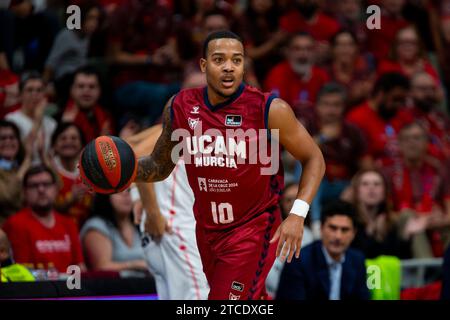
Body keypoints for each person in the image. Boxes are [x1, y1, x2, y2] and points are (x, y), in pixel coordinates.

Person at [123, 31, 325, 300]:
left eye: (237, 60)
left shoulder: (269, 109)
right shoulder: (180, 106)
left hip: (253, 230)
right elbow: (160, 166)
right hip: (207, 231)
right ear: (204, 65)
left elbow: (314, 159)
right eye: (219, 59)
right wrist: (118, 174)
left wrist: (298, 214)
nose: (229, 67)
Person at [127, 124, 209, 300]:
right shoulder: (189, 113)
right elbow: (138, 154)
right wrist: (152, 212)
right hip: (174, 228)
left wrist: (136, 194)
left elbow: (132, 143)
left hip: (174, 230)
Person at [276, 200, 369, 300]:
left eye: (344, 230)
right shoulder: (299, 261)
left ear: (354, 233)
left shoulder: (357, 260)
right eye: (333, 228)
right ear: (321, 228)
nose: (338, 236)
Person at [383, 122, 450, 258]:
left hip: (436, 225)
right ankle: (427, 269)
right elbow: (387, 215)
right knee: (409, 218)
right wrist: (422, 218)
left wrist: (429, 221)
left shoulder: (439, 170)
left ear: (426, 142)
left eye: (417, 138)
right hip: (402, 230)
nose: (411, 143)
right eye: (406, 139)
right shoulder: (388, 173)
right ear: (399, 144)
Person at [2, 165, 85, 273]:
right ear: (24, 191)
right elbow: (21, 271)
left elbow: (80, 267)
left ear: (56, 189)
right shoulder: (15, 224)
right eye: (34, 185)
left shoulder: (69, 224)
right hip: (35, 288)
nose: (41, 189)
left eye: (46, 184)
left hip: (70, 288)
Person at [346, 72, 413, 167]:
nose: (399, 105)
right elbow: (362, 159)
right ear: (380, 94)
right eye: (395, 99)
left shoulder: (401, 115)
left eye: (402, 100)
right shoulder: (357, 118)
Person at [347, 168, 411, 259]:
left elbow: (397, 260)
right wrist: (370, 233)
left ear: (384, 191)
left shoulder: (391, 222)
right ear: (357, 191)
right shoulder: (347, 220)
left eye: (377, 184)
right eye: (365, 184)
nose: (371, 188)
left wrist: (405, 236)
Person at [265, 182, 314, 299]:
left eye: (297, 200)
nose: (293, 205)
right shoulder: (270, 231)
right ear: (281, 204)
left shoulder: (311, 235)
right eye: (288, 200)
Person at [80, 190, 148, 272]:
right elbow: (101, 267)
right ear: (104, 195)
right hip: (109, 284)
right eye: (119, 191)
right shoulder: (96, 226)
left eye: (130, 191)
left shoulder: (140, 225)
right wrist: (135, 265)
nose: (126, 195)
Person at [264, 32, 329, 113]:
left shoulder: (321, 75)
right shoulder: (277, 74)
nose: (303, 54)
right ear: (288, 52)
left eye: (308, 49)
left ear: (314, 52)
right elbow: (275, 110)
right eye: (297, 49)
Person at [5, 71, 56, 164]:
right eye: (29, 90)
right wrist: (37, 122)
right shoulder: (11, 120)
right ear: (20, 95)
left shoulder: (52, 123)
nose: (34, 94)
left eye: (39, 90)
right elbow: (20, 153)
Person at [50, 122, 92, 228]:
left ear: (82, 144)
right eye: (63, 138)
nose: (68, 142)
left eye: (74, 138)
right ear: (54, 145)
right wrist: (70, 201)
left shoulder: (90, 172)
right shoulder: (47, 171)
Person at [61, 66, 114, 143]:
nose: (86, 91)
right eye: (81, 86)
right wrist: (64, 126)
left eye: (92, 87)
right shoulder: (59, 118)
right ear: (71, 90)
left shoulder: (108, 117)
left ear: (100, 91)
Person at [0, 120, 33, 224]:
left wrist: (44, 157)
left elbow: (55, 191)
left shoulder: (22, 167)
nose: (8, 141)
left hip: (27, 228)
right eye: (2, 138)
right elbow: (7, 197)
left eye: (12, 137)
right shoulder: (24, 168)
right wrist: (25, 165)